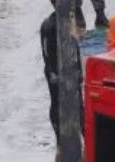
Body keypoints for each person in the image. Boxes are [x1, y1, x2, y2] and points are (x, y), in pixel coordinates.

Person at [41, 0, 85, 142]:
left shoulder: (71, 22)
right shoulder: (48, 26)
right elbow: (46, 53)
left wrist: (79, 71)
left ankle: (84, 136)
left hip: (72, 70)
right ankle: (59, 138)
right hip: (55, 72)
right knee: (57, 104)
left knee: (79, 105)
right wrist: (53, 74)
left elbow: (76, 47)